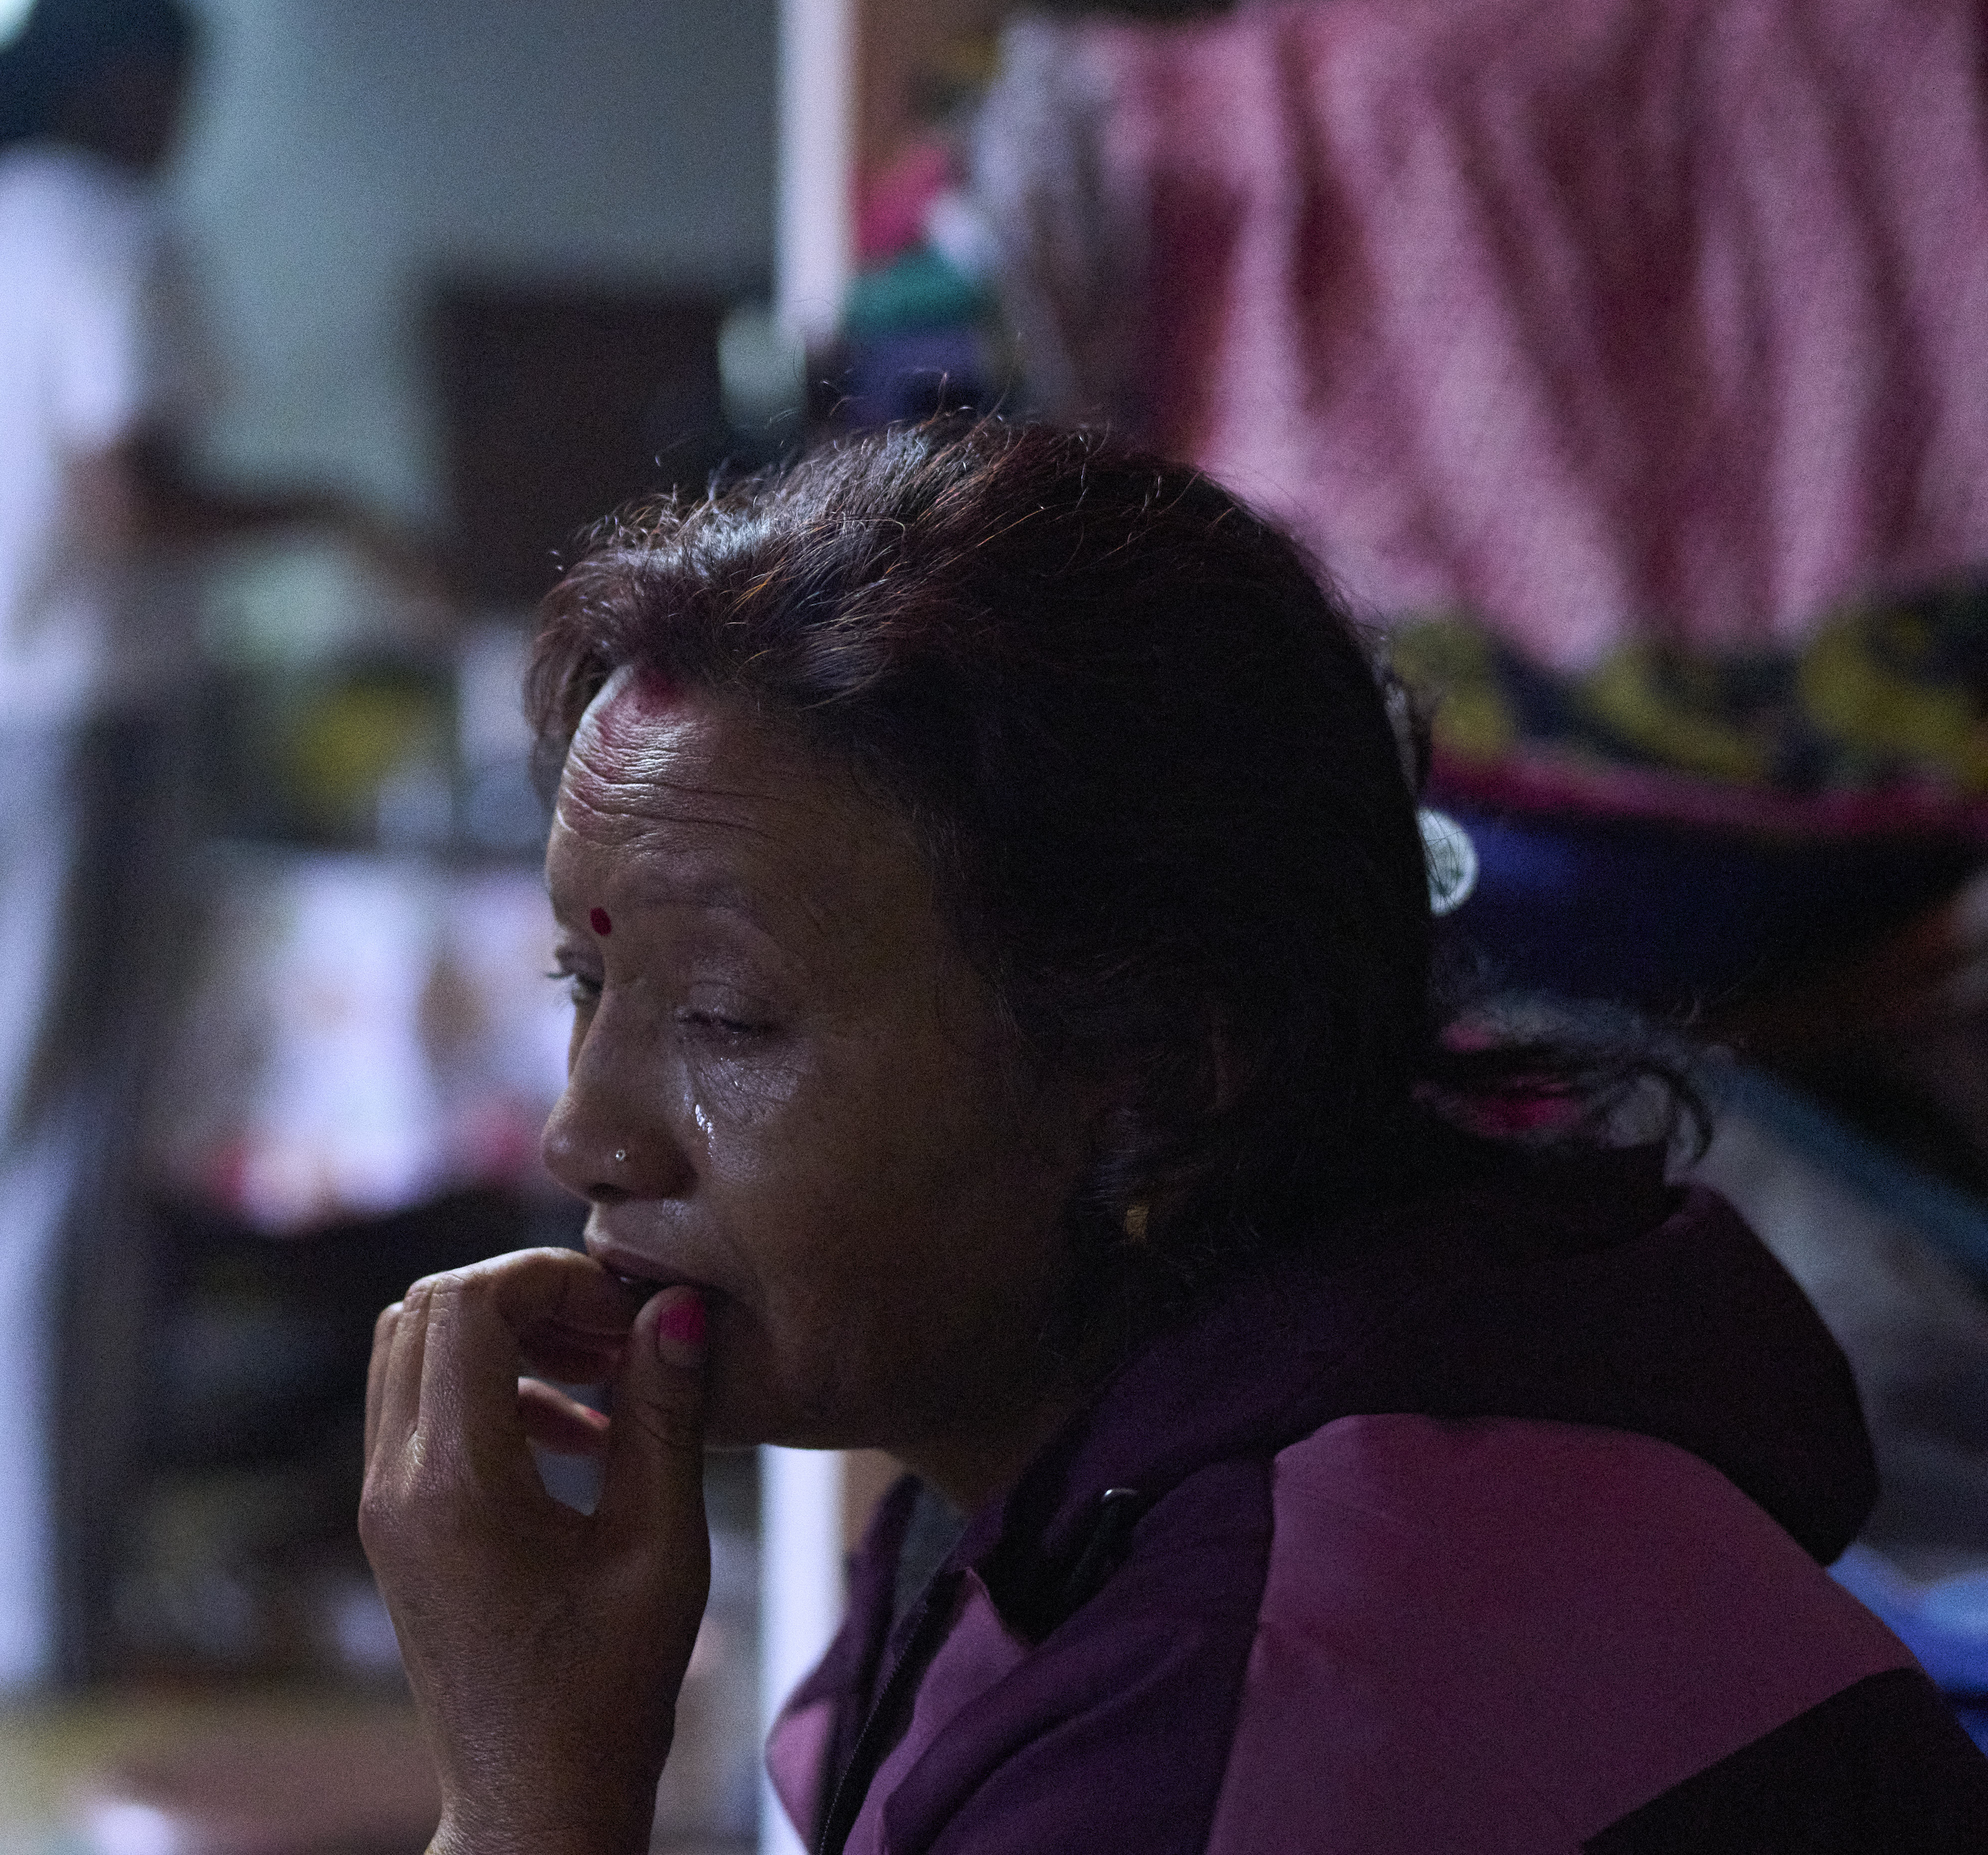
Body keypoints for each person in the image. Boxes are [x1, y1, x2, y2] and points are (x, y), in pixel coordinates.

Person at [357, 420, 1988, 1851]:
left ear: (1156, 1078)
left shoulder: (1302, 1682)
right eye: (588, 985)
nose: (587, 1135)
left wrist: (528, 1792)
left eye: (724, 1018)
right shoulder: (1059, 1480)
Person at [0, 0, 408, 1696]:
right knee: (46, 1185)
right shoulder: (100, 224)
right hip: (56, 739)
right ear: (134, 81)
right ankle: (33, 1624)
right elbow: (122, 496)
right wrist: (341, 516)